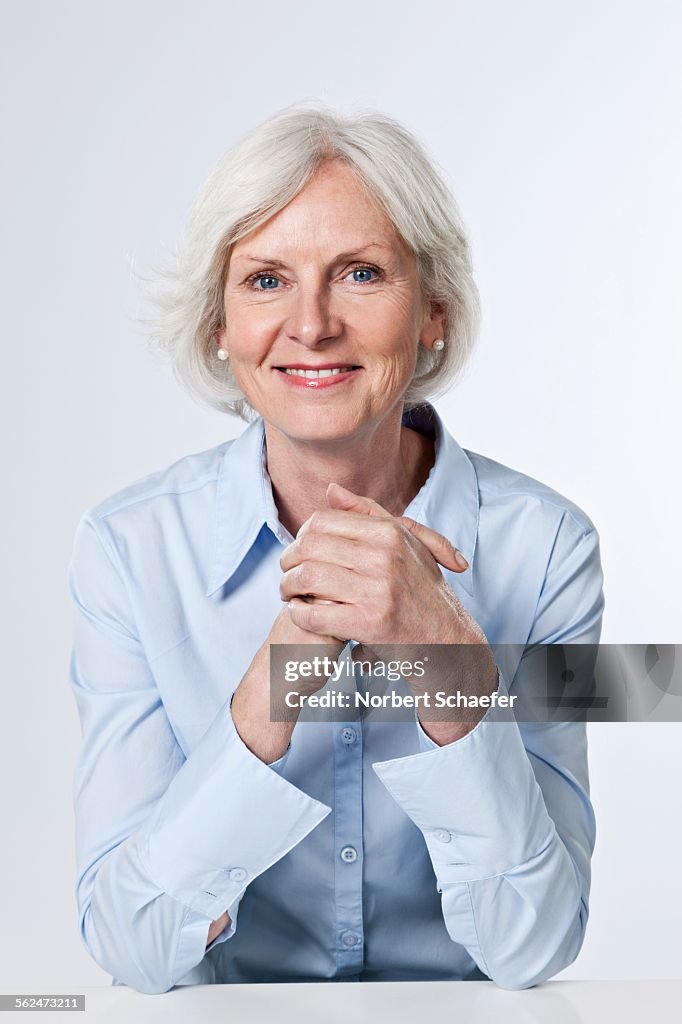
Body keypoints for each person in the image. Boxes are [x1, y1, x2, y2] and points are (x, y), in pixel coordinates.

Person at [67, 105, 604, 994]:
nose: (312, 326)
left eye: (360, 273)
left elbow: (538, 945)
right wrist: (272, 683)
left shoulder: (547, 549)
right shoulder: (128, 552)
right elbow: (131, 945)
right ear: (219, 325)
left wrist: (451, 670)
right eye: (266, 280)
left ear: (433, 311)